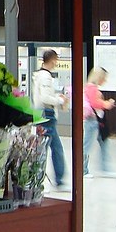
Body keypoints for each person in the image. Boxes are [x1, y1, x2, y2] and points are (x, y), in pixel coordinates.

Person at [33, 49, 70, 190]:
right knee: (48, 149)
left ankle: (54, 179)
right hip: (47, 115)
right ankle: (46, 181)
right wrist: (59, 100)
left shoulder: (38, 75)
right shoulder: (46, 77)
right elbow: (45, 97)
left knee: (51, 148)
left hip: (40, 113)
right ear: (53, 60)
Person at [83, 67, 116, 178]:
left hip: (96, 120)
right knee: (87, 145)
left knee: (103, 143)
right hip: (93, 120)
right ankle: (83, 170)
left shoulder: (89, 87)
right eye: (104, 78)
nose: (105, 80)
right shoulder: (92, 88)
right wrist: (106, 104)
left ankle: (105, 168)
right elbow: (94, 103)